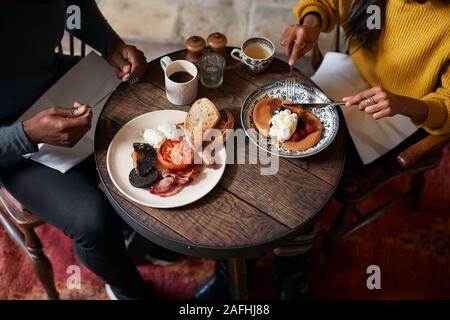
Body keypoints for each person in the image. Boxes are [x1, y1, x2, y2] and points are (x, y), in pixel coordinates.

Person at [193, 0, 449, 300]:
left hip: (401, 113)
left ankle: (289, 272)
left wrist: (404, 104)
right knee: (257, 160)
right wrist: (311, 24)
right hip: (349, 76)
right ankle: (239, 263)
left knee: (302, 187)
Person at [0, 0, 151, 299]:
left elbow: (73, 5)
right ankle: (125, 286)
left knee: (149, 125)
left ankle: (137, 229)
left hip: (55, 79)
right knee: (93, 221)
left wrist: (109, 44)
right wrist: (26, 134)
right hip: (10, 141)